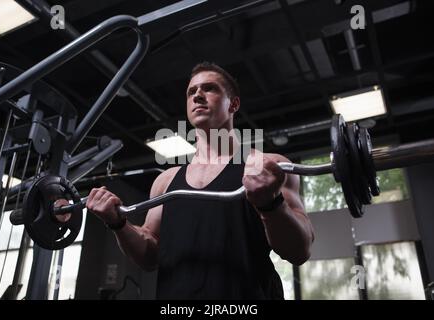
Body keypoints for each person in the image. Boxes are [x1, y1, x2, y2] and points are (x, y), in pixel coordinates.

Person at [86, 62, 315, 299]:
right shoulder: (166, 181)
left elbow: (300, 251)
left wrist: (272, 205)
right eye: (191, 92)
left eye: (209, 88)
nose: (197, 96)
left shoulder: (266, 166)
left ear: (233, 104)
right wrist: (118, 224)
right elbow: (149, 256)